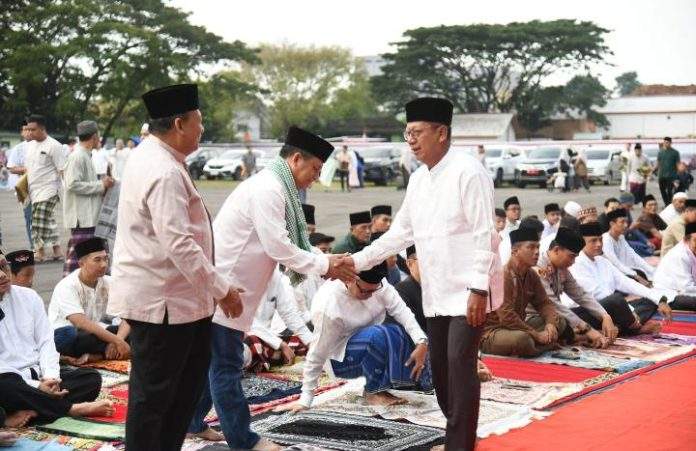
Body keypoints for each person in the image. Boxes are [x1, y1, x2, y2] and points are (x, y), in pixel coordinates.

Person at [346, 97, 502, 450]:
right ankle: (458, 433)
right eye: (407, 134)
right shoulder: (418, 179)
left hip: (467, 293)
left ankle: (458, 445)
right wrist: (354, 262)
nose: (411, 140)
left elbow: (484, 233)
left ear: (441, 132)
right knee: (444, 378)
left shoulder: (468, 171)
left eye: (417, 132)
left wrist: (479, 288)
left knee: (460, 367)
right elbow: (399, 233)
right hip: (435, 293)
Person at [107, 84, 244, 451]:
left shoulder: (155, 156)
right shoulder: (162, 168)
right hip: (163, 303)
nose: (202, 129)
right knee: (155, 399)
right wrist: (223, 289)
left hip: (179, 302)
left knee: (180, 394)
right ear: (180, 123)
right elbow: (179, 243)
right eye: (199, 122)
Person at [205, 125, 354, 451]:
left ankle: (190, 421)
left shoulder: (277, 188)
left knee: (216, 362)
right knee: (225, 367)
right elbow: (280, 248)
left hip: (236, 291)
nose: (316, 177)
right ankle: (244, 441)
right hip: (226, 291)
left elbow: (286, 244)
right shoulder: (269, 190)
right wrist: (328, 265)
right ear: (296, 158)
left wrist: (326, 260)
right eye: (315, 169)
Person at [281, 262, 430, 411]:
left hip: (370, 342)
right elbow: (317, 351)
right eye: (365, 291)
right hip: (339, 359)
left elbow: (403, 313)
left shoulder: (380, 285)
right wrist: (305, 399)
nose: (370, 295)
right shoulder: (329, 305)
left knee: (398, 332)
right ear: (349, 279)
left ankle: (395, 384)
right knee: (378, 335)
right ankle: (373, 392)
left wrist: (421, 341)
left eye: (374, 290)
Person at [0, 251, 113, 425]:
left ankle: (28, 412)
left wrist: (51, 378)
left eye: (3, 266)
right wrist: (37, 387)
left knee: (91, 379)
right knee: (6, 386)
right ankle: (71, 409)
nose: (2, 274)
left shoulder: (29, 297)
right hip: (13, 382)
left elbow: (46, 341)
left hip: (39, 376)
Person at [391, 245, 492, 381]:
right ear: (410, 264)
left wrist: (472, 359)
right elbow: (410, 338)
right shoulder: (400, 292)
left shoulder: (440, 292)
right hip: (413, 354)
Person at [482, 228, 567, 358]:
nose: (537, 252)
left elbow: (544, 304)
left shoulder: (531, 274)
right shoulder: (503, 275)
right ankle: (543, 347)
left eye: (538, 247)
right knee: (522, 340)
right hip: (494, 332)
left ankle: (536, 345)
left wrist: (550, 324)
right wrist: (536, 334)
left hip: (517, 327)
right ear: (515, 251)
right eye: (531, 247)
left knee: (560, 321)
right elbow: (506, 316)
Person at [569, 222, 669, 327]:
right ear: (582, 243)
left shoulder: (602, 261)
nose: (599, 244)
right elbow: (598, 295)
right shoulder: (576, 263)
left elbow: (626, 282)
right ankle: (629, 326)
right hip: (588, 311)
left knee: (649, 301)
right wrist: (630, 311)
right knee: (616, 300)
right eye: (593, 241)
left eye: (600, 240)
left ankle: (626, 326)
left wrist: (659, 299)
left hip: (612, 309)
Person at [49, 238, 130, 365]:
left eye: (106, 259)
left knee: (138, 329)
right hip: (66, 335)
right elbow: (81, 323)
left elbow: (127, 314)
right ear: (81, 263)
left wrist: (118, 340)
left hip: (96, 333)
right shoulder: (67, 286)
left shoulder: (109, 282)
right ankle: (103, 352)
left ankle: (99, 354)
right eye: (97, 260)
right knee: (72, 335)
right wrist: (117, 342)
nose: (104, 264)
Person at [535, 227, 619, 347]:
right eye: (571, 256)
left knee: (612, 304)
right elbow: (553, 305)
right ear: (557, 250)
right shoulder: (538, 268)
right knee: (561, 323)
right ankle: (577, 336)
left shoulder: (561, 269)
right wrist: (587, 329)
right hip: (537, 318)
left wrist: (605, 315)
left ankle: (577, 335)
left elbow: (580, 295)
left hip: (558, 316)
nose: (573, 262)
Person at [62, 121, 115, 276]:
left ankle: (86, 286)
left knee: (91, 255)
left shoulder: (85, 155)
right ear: (94, 136)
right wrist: (100, 185)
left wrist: (103, 185)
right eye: (98, 135)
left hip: (88, 216)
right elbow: (72, 184)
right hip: (82, 217)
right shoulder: (78, 156)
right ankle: (69, 288)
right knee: (80, 258)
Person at [24, 114, 65, 262]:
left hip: (49, 190)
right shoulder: (29, 146)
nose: (29, 133)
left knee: (37, 220)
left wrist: (66, 193)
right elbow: (29, 169)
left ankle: (39, 252)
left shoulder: (54, 146)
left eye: (33, 129)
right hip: (33, 190)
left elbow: (62, 170)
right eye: (28, 129)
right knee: (48, 220)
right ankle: (57, 250)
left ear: (42, 128)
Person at [602, 208, 655, 282]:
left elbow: (633, 255)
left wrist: (651, 269)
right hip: (613, 275)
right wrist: (634, 274)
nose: (626, 225)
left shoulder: (621, 237)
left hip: (626, 270)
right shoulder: (606, 239)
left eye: (626, 222)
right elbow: (615, 263)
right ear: (612, 224)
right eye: (622, 222)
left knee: (652, 274)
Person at [653, 222, 696, 311]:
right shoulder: (680, 255)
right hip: (669, 295)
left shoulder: (691, 250)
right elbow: (686, 288)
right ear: (686, 240)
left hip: (683, 290)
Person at [6, 122, 33, 249]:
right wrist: (26, 169)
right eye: (25, 130)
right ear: (22, 133)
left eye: (30, 129)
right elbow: (11, 168)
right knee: (29, 217)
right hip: (25, 188)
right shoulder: (18, 148)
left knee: (44, 219)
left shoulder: (41, 145)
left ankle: (47, 247)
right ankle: (34, 246)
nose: (28, 132)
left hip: (42, 188)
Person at [656, 137, 680, 206]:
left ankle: (669, 204)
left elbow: (678, 164)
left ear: (670, 143)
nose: (666, 144)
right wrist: (651, 170)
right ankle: (667, 204)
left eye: (667, 142)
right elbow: (658, 164)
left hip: (671, 176)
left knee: (670, 191)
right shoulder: (660, 152)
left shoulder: (675, 152)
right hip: (661, 176)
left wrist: (678, 176)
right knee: (662, 191)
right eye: (665, 142)